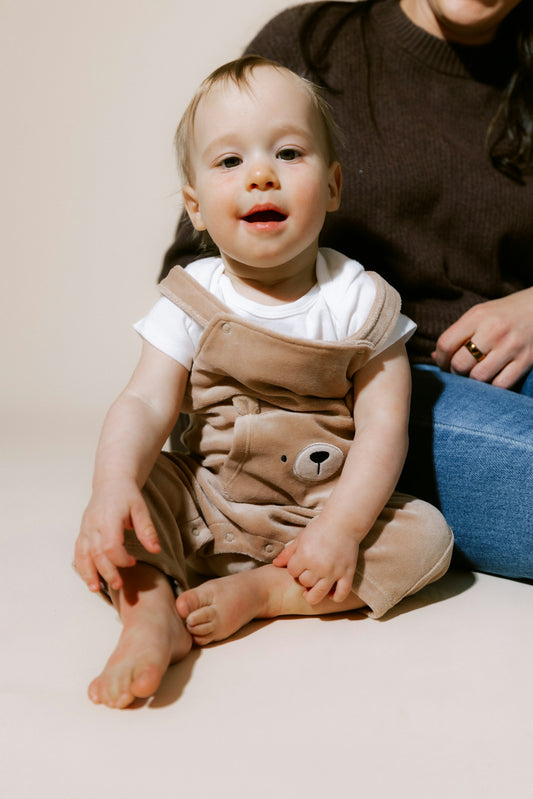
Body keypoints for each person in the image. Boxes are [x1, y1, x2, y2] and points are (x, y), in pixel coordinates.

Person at [75, 56, 453, 709]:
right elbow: (142, 401)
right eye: (228, 163)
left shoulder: (360, 300)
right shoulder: (192, 297)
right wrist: (111, 485)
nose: (259, 175)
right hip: (209, 500)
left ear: (333, 185)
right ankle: (151, 617)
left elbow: (383, 428)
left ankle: (270, 592)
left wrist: (338, 528)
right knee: (133, 503)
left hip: (317, 511)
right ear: (195, 206)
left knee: (426, 536)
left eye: (287, 152)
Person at [163, 0, 533, 581]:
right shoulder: (315, 46)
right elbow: (201, 263)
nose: (264, 171)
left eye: (289, 154)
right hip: (373, 384)